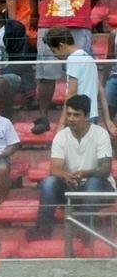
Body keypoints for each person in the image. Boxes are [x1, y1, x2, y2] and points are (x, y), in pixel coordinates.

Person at [26, 94, 114, 241]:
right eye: (69, 114)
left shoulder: (101, 134)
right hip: (71, 187)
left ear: (86, 116)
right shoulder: (61, 136)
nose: (71, 118)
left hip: (100, 188)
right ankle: (42, 231)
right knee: (49, 182)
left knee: (93, 182)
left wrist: (84, 173)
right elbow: (55, 168)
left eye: (76, 115)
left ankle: (84, 231)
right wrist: (66, 176)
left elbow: (105, 169)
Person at [30, 0, 91, 136]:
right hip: (49, 21)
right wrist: (34, 13)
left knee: (82, 76)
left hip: (79, 22)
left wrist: (82, 10)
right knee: (46, 74)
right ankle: (43, 117)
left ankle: (80, 117)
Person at [47, 26, 113, 133]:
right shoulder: (89, 58)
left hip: (79, 118)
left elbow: (71, 93)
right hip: (92, 116)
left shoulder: (73, 59)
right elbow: (101, 91)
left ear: (61, 46)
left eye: (54, 51)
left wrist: (62, 123)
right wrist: (107, 119)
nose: (55, 55)